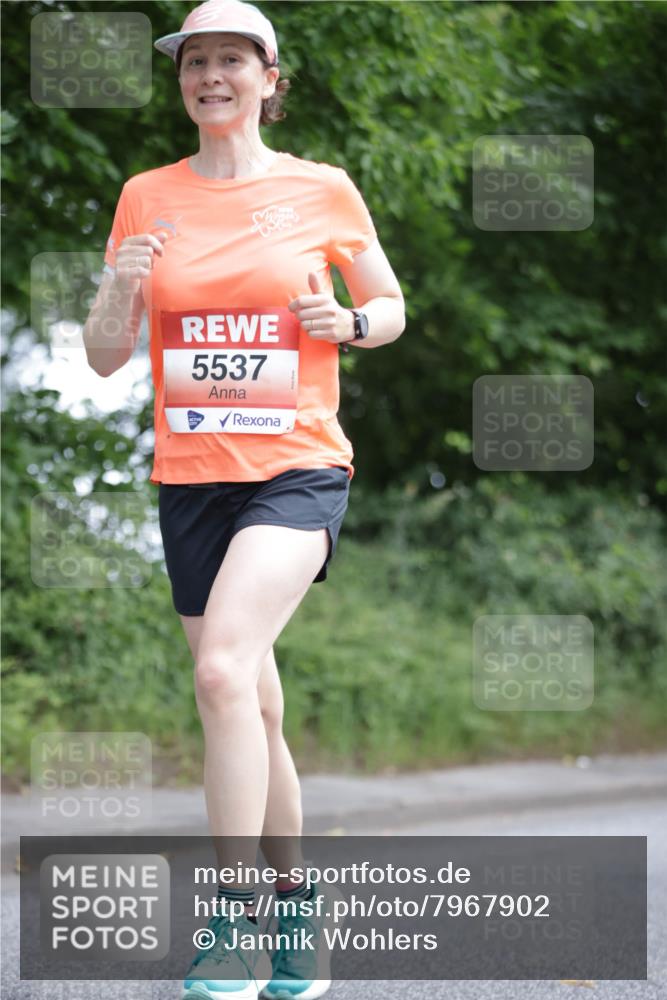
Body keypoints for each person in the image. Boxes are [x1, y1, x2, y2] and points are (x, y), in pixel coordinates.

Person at [83, 1, 404, 997]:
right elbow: (102, 358)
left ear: (270, 78)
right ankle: (299, 918)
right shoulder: (146, 196)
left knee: (221, 673)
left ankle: (231, 919)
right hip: (191, 483)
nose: (210, 76)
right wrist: (117, 288)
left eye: (232, 60)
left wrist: (345, 319)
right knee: (255, 710)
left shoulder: (321, 188)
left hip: (298, 467)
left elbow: (389, 307)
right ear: (182, 82)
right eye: (195, 62)